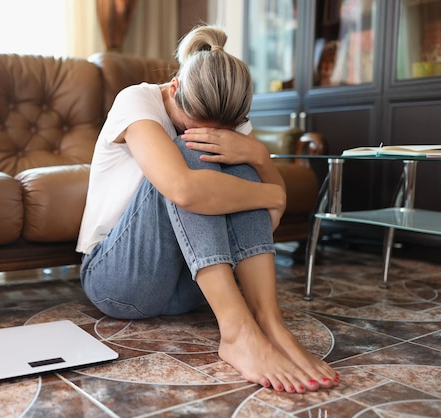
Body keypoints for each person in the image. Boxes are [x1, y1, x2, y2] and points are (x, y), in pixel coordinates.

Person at [76, 24, 339, 393]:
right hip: (120, 282)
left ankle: (270, 323)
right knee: (190, 155)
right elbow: (186, 190)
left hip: (192, 291)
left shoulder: (229, 117)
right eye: (192, 123)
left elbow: (269, 212)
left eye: (226, 129)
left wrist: (258, 156)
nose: (205, 133)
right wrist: (272, 195)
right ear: (174, 89)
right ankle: (237, 332)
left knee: (239, 163)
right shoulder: (137, 100)